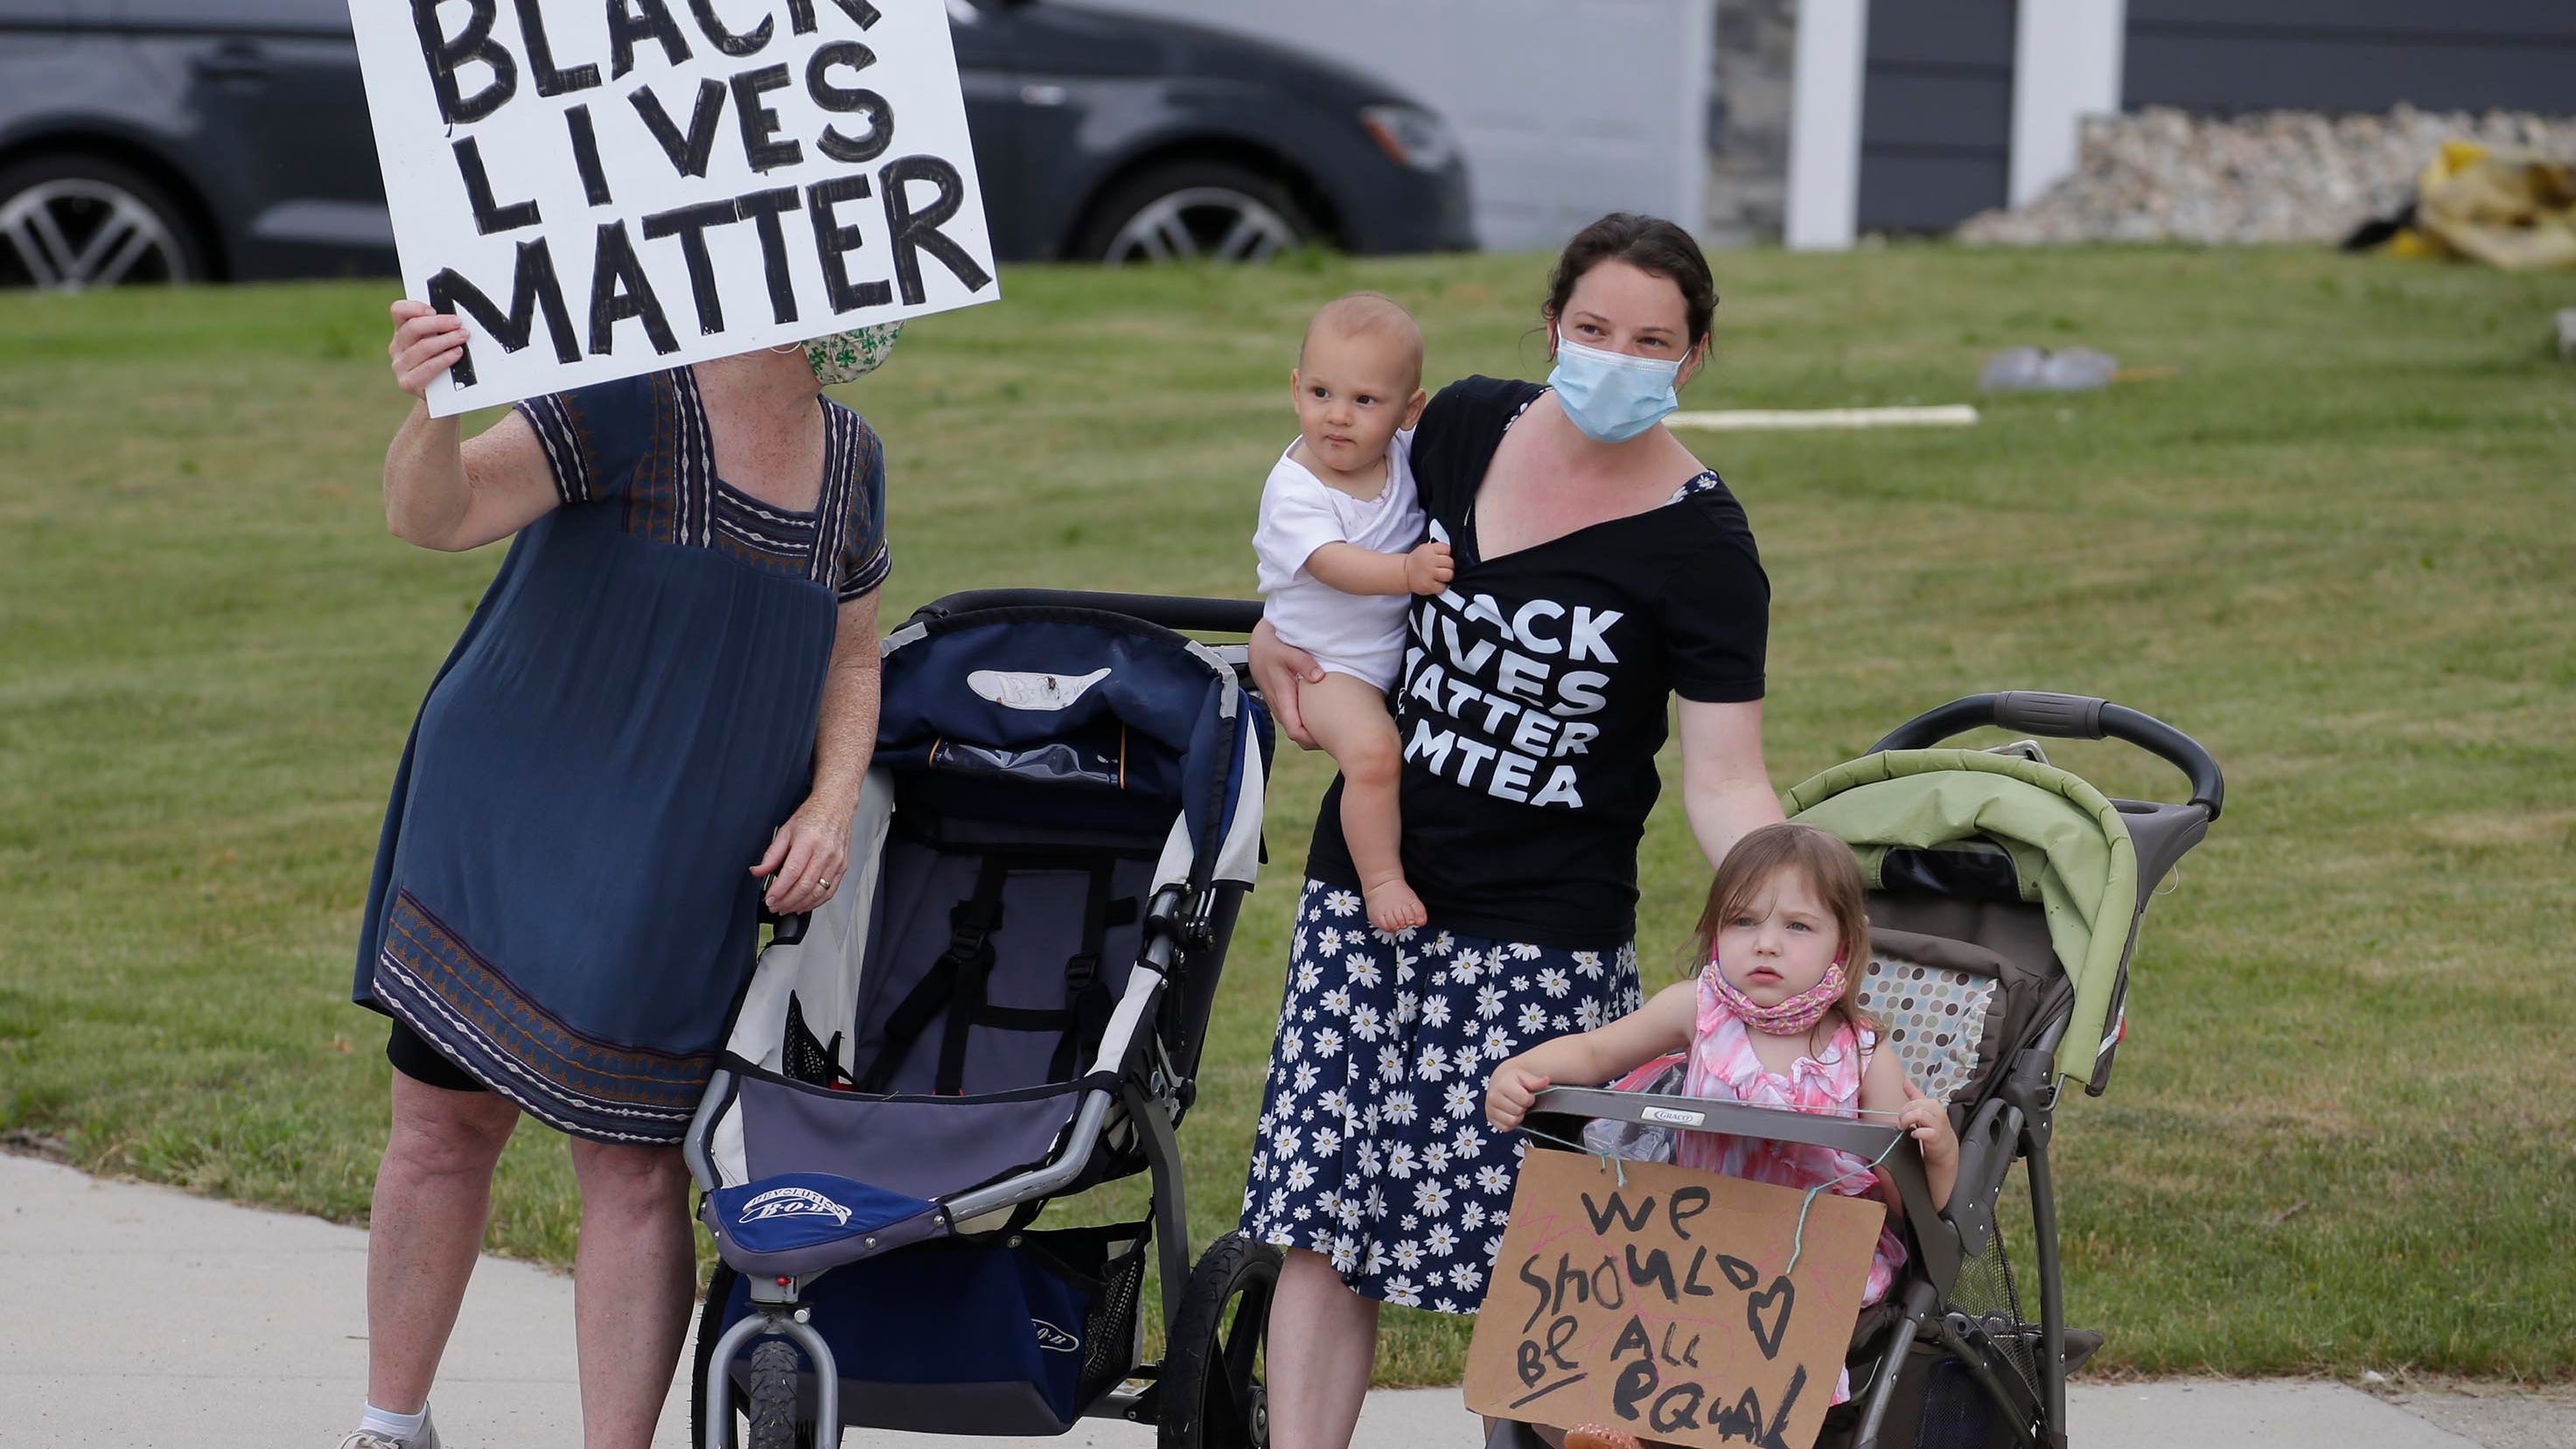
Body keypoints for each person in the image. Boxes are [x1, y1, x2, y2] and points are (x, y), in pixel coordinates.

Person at [1240, 213, 1788, 1449]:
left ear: (1692, 356)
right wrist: (1281, 636)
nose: (1615, 355)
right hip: (1368, 901)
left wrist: (1794, 908)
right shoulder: (1465, 426)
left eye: (1650, 339)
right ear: (1551, 326)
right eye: (1591, 328)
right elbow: (1324, 530)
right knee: (1323, 1229)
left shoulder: (1705, 550)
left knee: (1550, 1268)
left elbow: (1724, 779)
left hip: (1540, 937)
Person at [340, 307, 900, 1449]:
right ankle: (388, 1427)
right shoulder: (625, 394)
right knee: (443, 1129)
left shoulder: (852, 457)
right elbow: (435, 513)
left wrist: (831, 801)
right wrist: (432, 410)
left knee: (637, 1167)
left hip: (682, 859)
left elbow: (852, 652)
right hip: (509, 813)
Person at [1485, 822, 1960, 1446]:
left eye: (1797, 926)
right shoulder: (1697, 1009)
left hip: (1804, 1253)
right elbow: (1598, 1051)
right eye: (1742, 922)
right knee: (1599, 1293)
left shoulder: (1862, 1053)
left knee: (1759, 1337)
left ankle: (1666, 1434)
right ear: (1714, 931)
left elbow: (1912, 1204)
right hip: (1691, 1233)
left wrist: (1939, 1147)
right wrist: (1522, 1070)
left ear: (1841, 945)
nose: (1766, 944)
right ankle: (1601, 1421)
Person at [1252, 292, 1451, 932]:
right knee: (1372, 753)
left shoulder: (1400, 455)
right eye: (1320, 393)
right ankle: (1380, 879)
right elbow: (1330, 563)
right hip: (1322, 665)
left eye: (1364, 401)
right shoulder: (1295, 488)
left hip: (1380, 657)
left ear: (1408, 411)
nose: (1337, 417)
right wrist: (1406, 571)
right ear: (1294, 389)